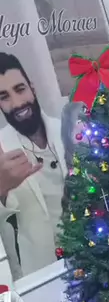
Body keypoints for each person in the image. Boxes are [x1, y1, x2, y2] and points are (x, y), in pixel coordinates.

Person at [0, 52, 68, 279]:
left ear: (32, 88)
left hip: (91, 262)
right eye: (4, 97)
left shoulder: (66, 131)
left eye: (20, 89)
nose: (17, 103)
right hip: (39, 276)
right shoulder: (1, 151)